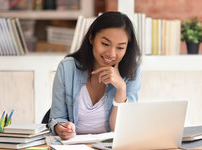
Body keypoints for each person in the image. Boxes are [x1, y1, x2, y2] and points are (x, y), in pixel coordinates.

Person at [48, 11, 141, 140]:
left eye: (120, 48)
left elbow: (119, 130)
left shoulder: (132, 71)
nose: (112, 54)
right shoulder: (67, 68)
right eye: (105, 44)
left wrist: (121, 88)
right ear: (91, 38)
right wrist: (62, 128)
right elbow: (57, 118)